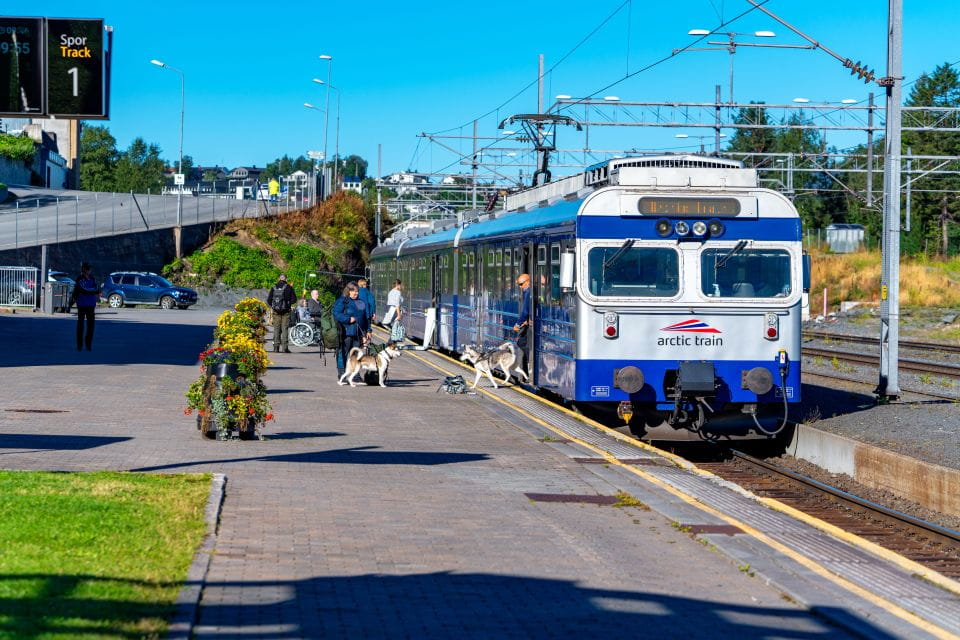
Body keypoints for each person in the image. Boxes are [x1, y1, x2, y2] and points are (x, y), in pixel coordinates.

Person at [333, 282, 368, 378]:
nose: (356, 293)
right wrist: (348, 319)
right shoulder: (342, 301)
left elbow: (365, 318)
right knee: (342, 353)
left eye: (357, 291)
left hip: (358, 333)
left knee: (356, 355)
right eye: (354, 291)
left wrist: (367, 332)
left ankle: (355, 375)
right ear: (348, 291)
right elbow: (336, 314)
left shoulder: (361, 302)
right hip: (345, 332)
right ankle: (342, 373)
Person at [71, 262, 100, 351]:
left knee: (91, 326)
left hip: (91, 305)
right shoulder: (79, 279)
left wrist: (93, 291)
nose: (89, 271)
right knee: (81, 326)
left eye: (89, 269)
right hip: (82, 305)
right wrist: (93, 291)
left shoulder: (92, 278)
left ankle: (88, 345)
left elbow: (97, 289)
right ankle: (79, 345)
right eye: (88, 269)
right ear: (84, 270)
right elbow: (84, 290)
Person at [267, 274, 297, 353]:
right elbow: (294, 299)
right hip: (286, 312)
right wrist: (288, 304)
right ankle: (285, 348)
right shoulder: (289, 287)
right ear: (286, 279)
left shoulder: (274, 287)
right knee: (285, 329)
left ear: (278, 279)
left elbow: (269, 300)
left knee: (276, 328)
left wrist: (274, 306)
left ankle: (276, 347)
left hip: (276, 312)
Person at [513, 273, 532, 375]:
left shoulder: (528, 292)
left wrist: (517, 324)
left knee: (521, 342)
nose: (520, 287)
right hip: (529, 321)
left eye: (521, 284)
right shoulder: (527, 291)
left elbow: (525, 311)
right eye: (519, 285)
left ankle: (530, 363)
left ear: (528, 281)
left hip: (530, 322)